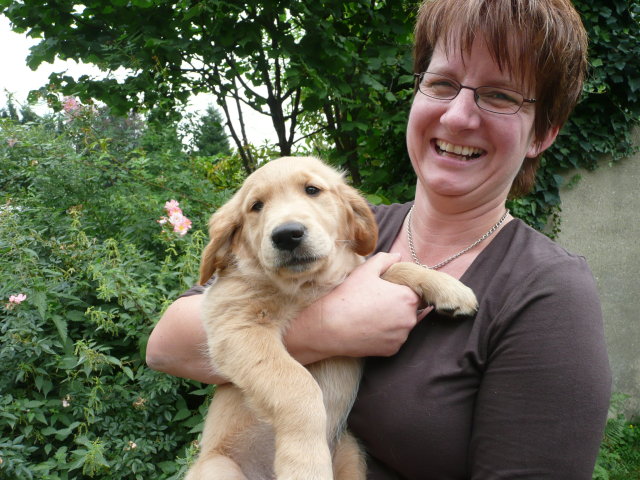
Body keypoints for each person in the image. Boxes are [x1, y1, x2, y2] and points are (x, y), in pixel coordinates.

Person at [146, 0, 612, 477]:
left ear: (542, 134)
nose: (457, 117)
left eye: (500, 95)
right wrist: (328, 327)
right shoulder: (355, 234)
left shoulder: (548, 292)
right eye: (442, 83)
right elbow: (164, 345)